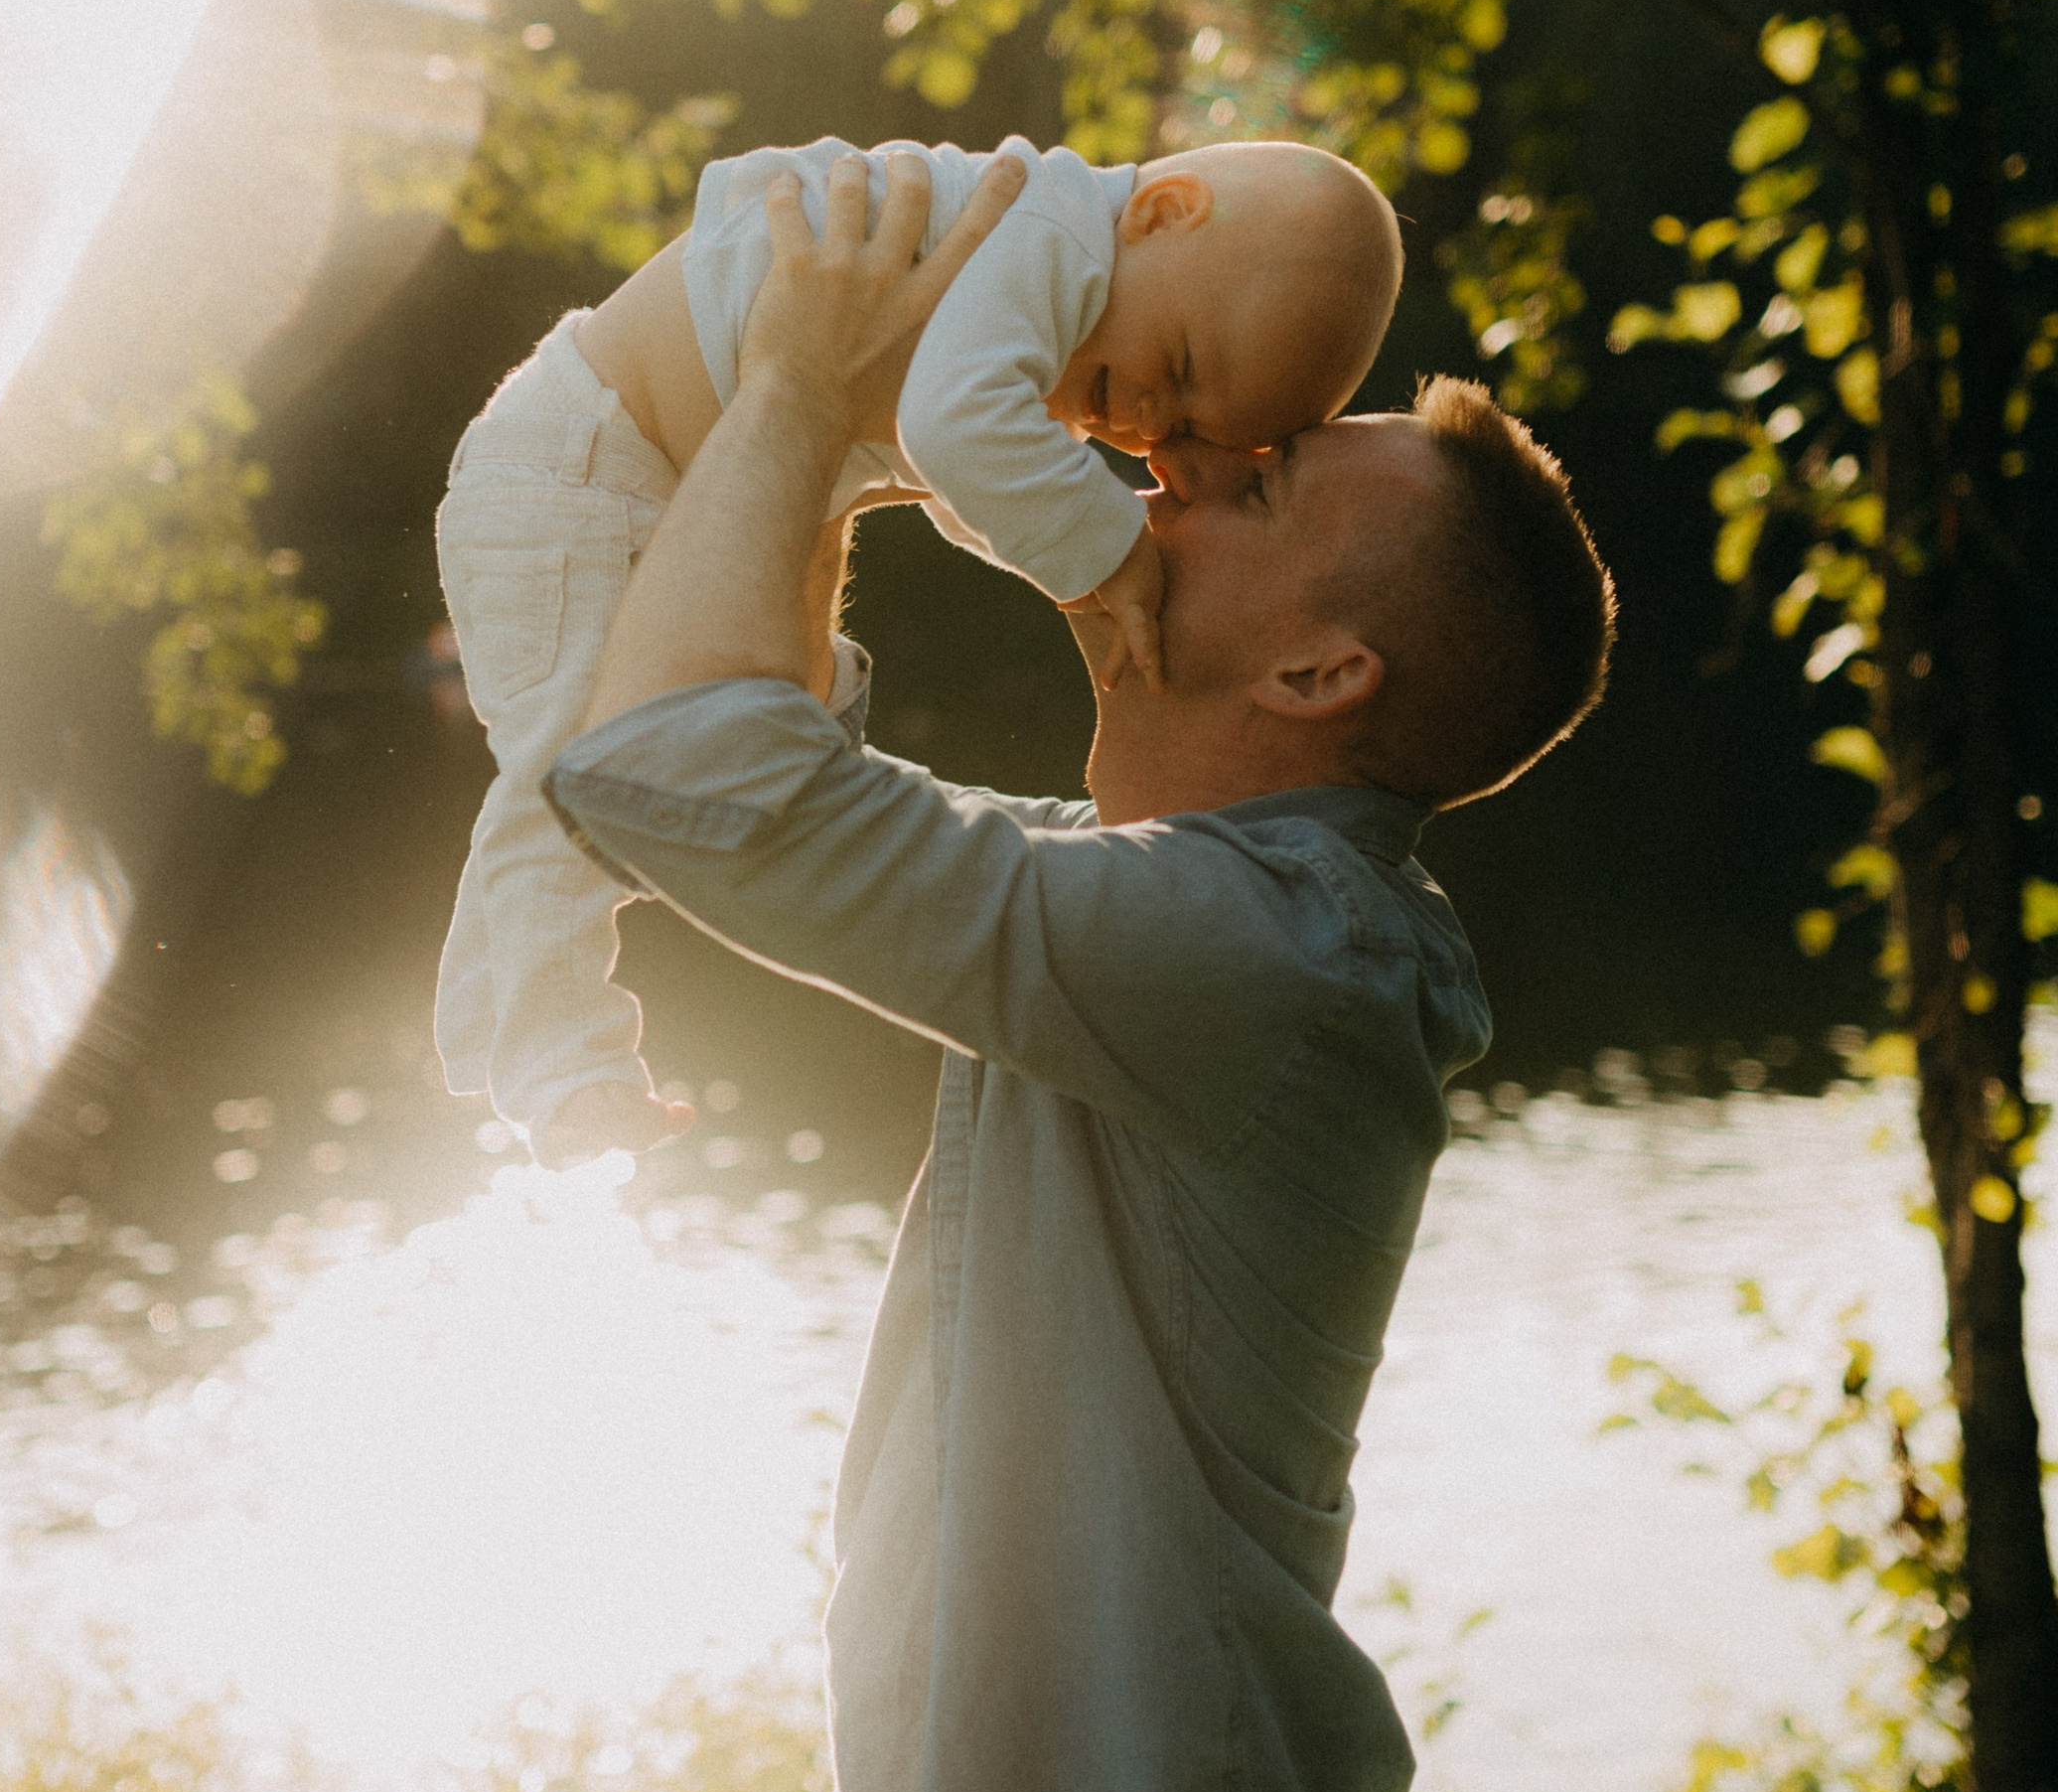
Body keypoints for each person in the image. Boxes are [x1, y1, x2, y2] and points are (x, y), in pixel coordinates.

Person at [542, 153, 1616, 1792]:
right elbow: (724, 729)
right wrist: (848, 435)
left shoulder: (1252, 950)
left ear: (1320, 676)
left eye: (1251, 485)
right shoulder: (1182, 915)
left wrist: (808, 388)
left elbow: (677, 776)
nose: (1178, 462)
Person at [433, 129, 1400, 1164]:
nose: (1152, 423)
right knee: (573, 778)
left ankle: (490, 1024)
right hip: (584, 464)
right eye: (1179, 367)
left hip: (607, 463)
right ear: (1164, 214)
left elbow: (958, 475)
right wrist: (1110, 549)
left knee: (585, 788)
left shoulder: (1046, 285)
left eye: (1189, 430)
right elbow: (952, 434)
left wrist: (1070, 557)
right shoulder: (1053, 240)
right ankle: (561, 1067)